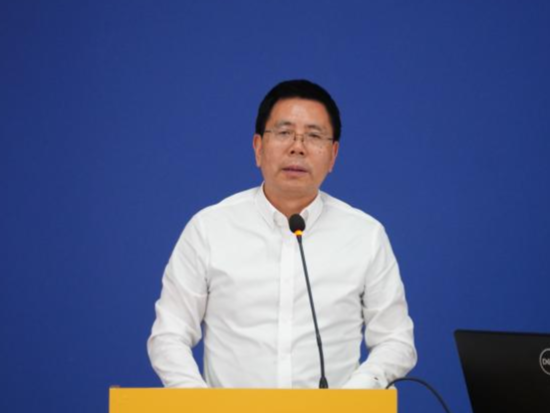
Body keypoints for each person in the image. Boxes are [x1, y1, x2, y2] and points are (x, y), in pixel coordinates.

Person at [147, 79, 417, 389]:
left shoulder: (365, 235)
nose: (297, 147)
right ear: (258, 147)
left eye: (314, 136)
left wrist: (354, 397)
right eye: (284, 133)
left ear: (333, 155)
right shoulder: (209, 229)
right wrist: (199, 404)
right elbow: (169, 335)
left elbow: (396, 341)